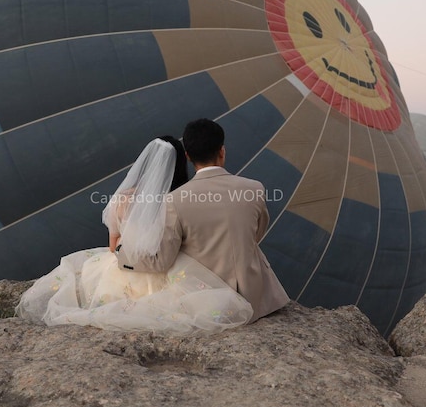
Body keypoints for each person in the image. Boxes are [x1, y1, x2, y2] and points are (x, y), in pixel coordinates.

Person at [16, 135, 254, 334]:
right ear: (183, 163)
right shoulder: (181, 199)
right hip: (170, 271)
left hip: (124, 267)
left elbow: (113, 246)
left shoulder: (124, 198)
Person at [116, 119, 290, 322]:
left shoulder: (174, 200)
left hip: (207, 301)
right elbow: (257, 234)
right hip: (256, 298)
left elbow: (162, 260)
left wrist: (121, 253)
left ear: (188, 156)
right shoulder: (254, 188)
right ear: (222, 151)